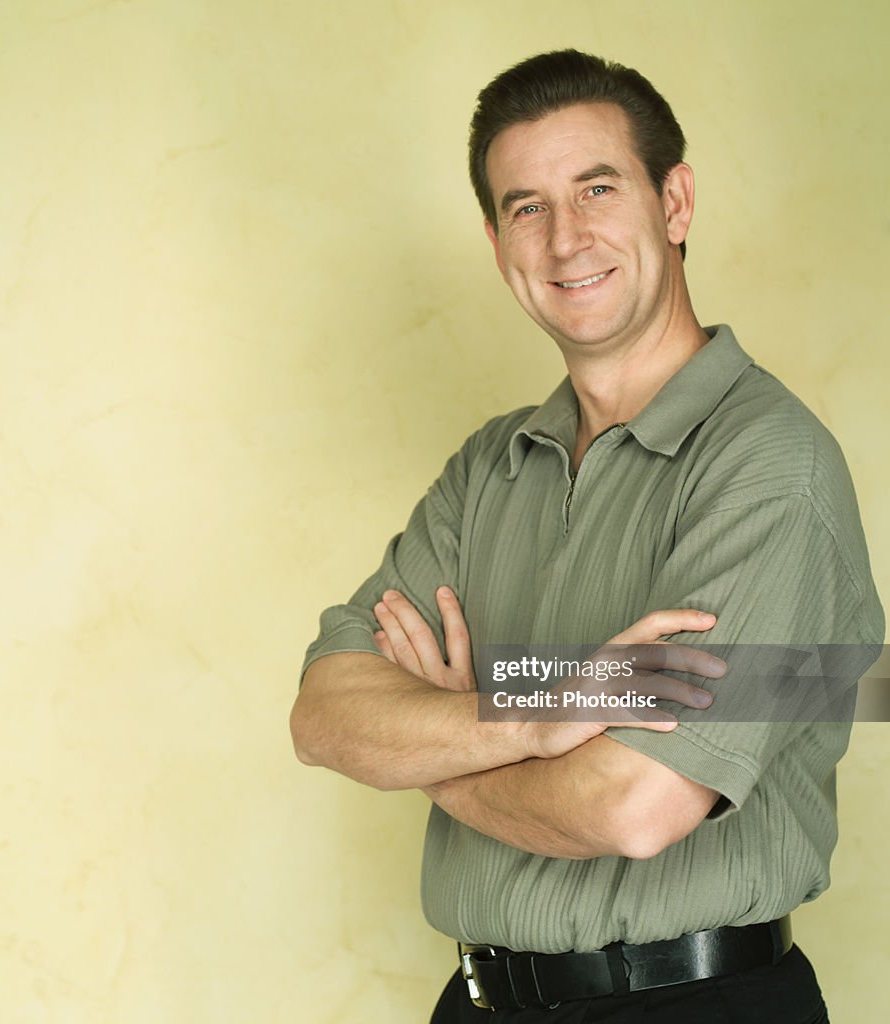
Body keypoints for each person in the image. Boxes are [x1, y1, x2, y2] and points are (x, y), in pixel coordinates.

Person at [290, 49, 883, 1022]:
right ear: (496, 243)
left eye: (596, 188)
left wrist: (439, 745)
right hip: (478, 1002)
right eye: (526, 206)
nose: (565, 239)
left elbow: (635, 803)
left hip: (692, 1002)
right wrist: (529, 715)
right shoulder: (488, 469)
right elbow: (322, 713)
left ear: (675, 202)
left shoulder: (768, 467)